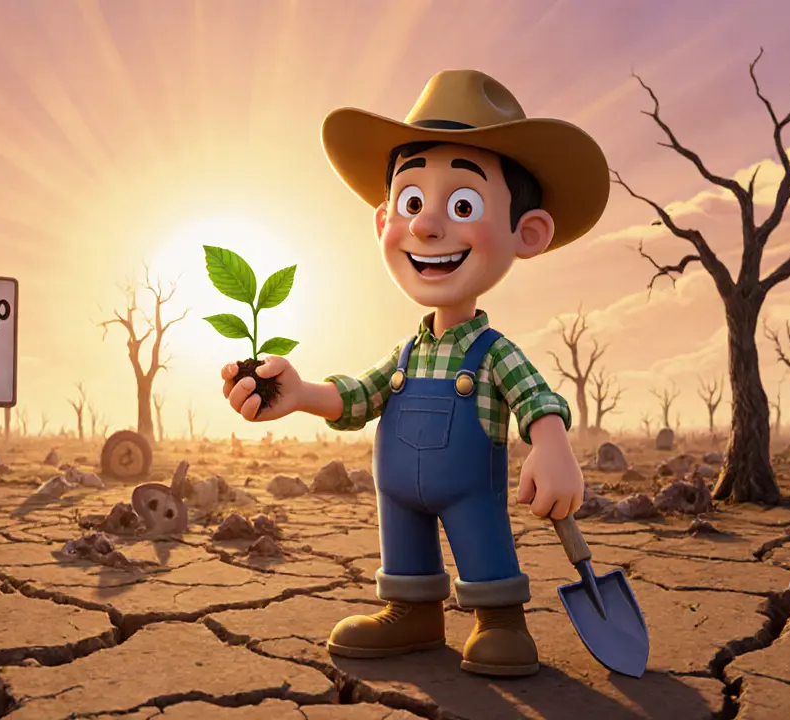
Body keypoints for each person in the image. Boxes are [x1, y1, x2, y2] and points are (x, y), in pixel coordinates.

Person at [219, 69, 609, 677]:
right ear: (385, 223)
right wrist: (297, 393)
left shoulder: (492, 350)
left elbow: (536, 398)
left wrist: (552, 446)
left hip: (469, 488)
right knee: (401, 537)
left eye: (462, 204)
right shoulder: (405, 354)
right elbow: (355, 397)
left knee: (482, 538)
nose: (427, 226)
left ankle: (499, 619)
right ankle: (412, 611)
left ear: (526, 233)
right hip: (397, 488)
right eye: (410, 202)